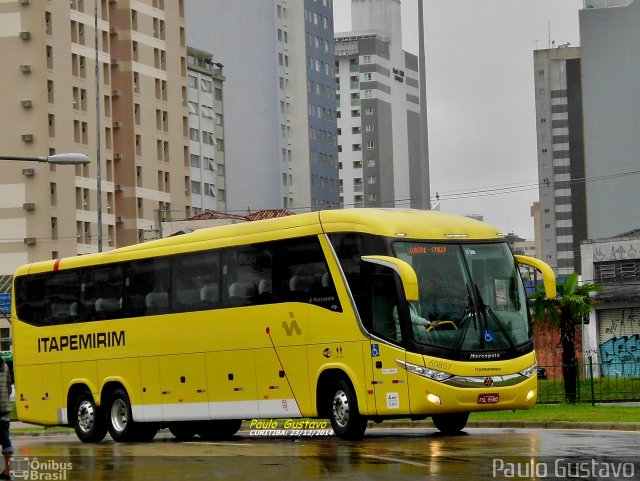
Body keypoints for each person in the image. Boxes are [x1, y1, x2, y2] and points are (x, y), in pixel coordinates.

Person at [0, 358, 12, 480]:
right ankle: (8, 471)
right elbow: (9, 388)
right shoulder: (5, 366)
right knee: (5, 442)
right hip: (4, 410)